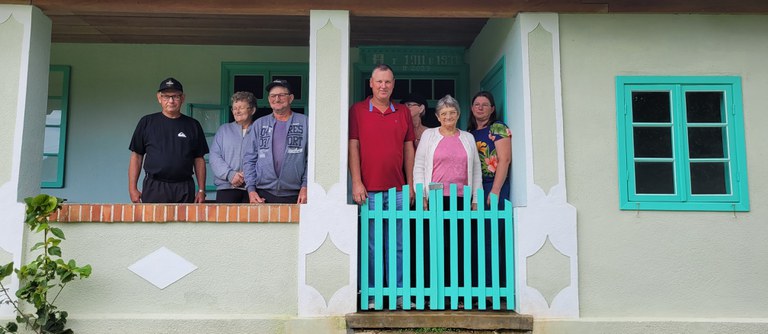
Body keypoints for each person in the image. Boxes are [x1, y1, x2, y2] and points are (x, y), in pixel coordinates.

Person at [349, 64, 415, 308]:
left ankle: (398, 294)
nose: (383, 86)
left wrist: (409, 184)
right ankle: (374, 294)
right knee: (372, 246)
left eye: (387, 82)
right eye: (379, 82)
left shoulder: (403, 112)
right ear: (371, 83)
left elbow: (409, 149)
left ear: (393, 84)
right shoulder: (357, 111)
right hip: (369, 190)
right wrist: (356, 181)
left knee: (398, 244)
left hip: (398, 189)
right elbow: (353, 146)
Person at [413, 94, 481, 304]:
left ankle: (458, 292)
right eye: (444, 113)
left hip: (461, 198)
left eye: (452, 113)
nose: (448, 116)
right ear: (437, 116)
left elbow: (477, 168)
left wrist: (476, 198)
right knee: (431, 244)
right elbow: (420, 166)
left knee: (461, 245)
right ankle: (428, 292)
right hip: (435, 197)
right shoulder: (429, 136)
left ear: (458, 115)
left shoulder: (467, 137)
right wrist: (422, 195)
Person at [128, 77, 209, 203]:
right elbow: (137, 156)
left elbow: (199, 159)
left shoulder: (193, 125)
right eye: (166, 96)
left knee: (184, 223)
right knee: (153, 222)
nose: (171, 101)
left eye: (175, 96)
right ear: (159, 98)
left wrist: (201, 190)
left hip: (184, 187)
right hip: (154, 186)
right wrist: (132, 188)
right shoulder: (146, 122)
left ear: (182, 98)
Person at [468, 91, 512, 292]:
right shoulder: (468, 133)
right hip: (475, 188)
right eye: (476, 104)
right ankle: (478, 287)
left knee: (491, 236)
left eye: (485, 104)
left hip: (493, 186)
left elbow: (505, 159)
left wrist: (495, 190)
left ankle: (491, 287)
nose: (480, 107)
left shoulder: (497, 128)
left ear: (492, 108)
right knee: (476, 238)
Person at [243, 79, 308, 204]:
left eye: (281, 95)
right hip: (263, 193)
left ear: (291, 98)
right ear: (268, 99)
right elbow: (249, 159)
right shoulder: (259, 124)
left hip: (297, 194)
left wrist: (306, 186)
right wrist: (251, 190)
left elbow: (312, 159)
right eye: (273, 96)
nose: (277, 99)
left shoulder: (305, 122)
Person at [209, 92, 258, 203]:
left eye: (241, 108)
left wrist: (248, 176)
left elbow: (266, 158)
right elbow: (214, 156)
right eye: (234, 108)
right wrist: (230, 175)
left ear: (252, 110)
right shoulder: (224, 130)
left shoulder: (259, 130)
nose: (237, 111)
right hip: (226, 188)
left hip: (253, 189)